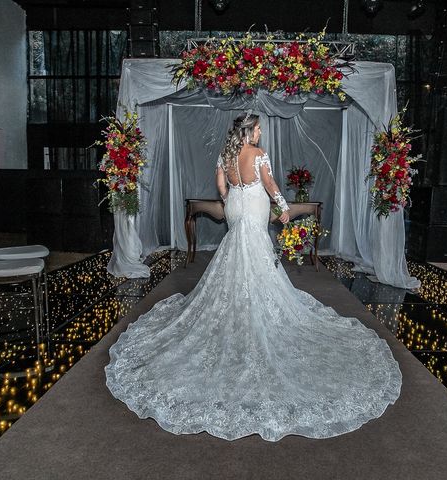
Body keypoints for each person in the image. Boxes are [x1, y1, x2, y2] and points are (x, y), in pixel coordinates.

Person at [105, 112, 402, 442]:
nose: (261, 132)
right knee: (256, 250)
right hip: (255, 207)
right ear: (249, 131)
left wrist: (231, 197)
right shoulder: (259, 155)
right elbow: (271, 183)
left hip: (235, 206)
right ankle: (254, 303)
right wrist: (283, 205)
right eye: (258, 128)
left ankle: (236, 301)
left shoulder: (227, 154)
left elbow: (220, 184)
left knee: (236, 250)